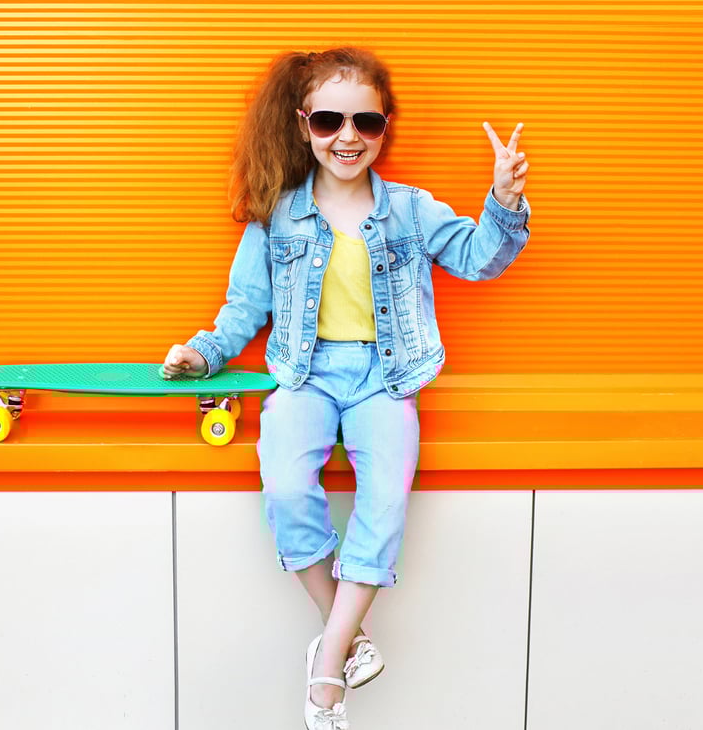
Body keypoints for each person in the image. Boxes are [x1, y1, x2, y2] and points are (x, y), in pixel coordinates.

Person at [163, 46, 530, 730]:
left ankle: (327, 667)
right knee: (286, 484)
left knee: (386, 499)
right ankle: (348, 637)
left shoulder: (411, 211)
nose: (348, 137)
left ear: (385, 126)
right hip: (304, 374)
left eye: (366, 121)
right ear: (304, 124)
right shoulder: (278, 214)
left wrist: (504, 203)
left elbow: (480, 259)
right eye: (329, 120)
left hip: (385, 379)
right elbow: (243, 308)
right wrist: (202, 353)